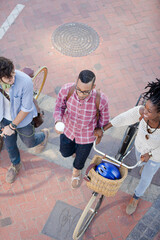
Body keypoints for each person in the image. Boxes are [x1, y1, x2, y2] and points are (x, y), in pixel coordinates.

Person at [94, 78, 160, 215]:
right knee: (138, 161)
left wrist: (151, 155)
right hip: (139, 147)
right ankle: (141, 166)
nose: (144, 112)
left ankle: (136, 196)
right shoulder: (142, 112)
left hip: (155, 157)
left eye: (149, 111)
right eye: (145, 108)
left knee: (146, 177)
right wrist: (104, 129)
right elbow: (123, 118)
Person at [54, 70, 110, 189]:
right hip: (68, 130)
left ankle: (76, 172)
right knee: (65, 153)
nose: (80, 94)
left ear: (93, 87)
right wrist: (58, 120)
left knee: (80, 160)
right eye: (78, 89)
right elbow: (59, 106)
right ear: (76, 82)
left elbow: (104, 121)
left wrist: (100, 130)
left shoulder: (101, 99)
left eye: (85, 92)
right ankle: (74, 152)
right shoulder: (66, 89)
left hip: (87, 136)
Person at [0, 57, 49, 183]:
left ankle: (44, 135)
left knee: (29, 143)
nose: (13, 78)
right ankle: (16, 164)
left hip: (23, 120)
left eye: (13, 73)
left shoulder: (25, 81)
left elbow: (26, 108)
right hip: (3, 118)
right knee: (10, 145)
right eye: (9, 78)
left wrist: (11, 127)